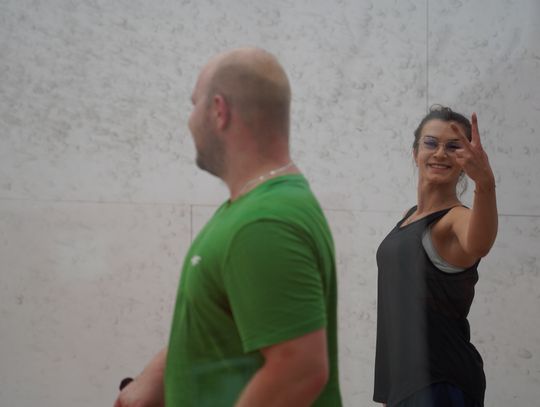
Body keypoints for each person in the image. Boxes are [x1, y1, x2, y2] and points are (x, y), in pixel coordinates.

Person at [114, 47, 342, 407]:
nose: (190, 121)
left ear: (219, 111)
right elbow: (219, 319)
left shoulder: (264, 223)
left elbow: (299, 370)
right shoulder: (250, 209)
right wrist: (156, 378)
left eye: (194, 105)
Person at [373, 106, 498, 407]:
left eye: (453, 147)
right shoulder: (409, 218)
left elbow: (479, 244)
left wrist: (485, 185)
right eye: (431, 143)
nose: (440, 153)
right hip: (406, 385)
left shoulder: (455, 220)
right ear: (415, 152)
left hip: (442, 383)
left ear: (465, 160)